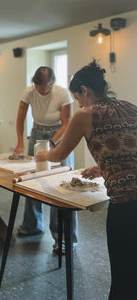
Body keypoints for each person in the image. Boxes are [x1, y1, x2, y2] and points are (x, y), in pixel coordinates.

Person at [35, 60, 137, 299]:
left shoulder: (85, 115)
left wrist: (43, 154)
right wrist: (104, 168)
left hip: (127, 207)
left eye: (78, 97)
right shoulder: (131, 108)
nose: (78, 103)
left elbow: (59, 154)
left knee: (123, 280)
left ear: (84, 90)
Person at [12, 66, 78, 252]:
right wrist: (19, 142)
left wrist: (51, 144)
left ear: (53, 83)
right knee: (33, 180)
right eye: (37, 87)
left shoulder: (63, 94)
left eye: (44, 88)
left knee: (60, 185)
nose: (40, 91)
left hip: (58, 134)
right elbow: (20, 119)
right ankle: (32, 225)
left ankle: (64, 239)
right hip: (37, 132)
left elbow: (67, 124)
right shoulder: (29, 92)